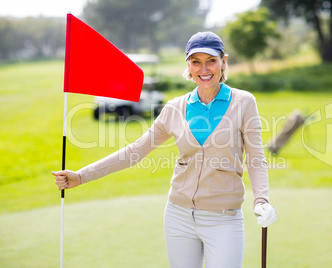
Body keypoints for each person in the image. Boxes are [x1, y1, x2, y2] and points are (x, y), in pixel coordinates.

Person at [52, 31, 277, 268]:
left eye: (211, 60)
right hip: (178, 217)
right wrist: (81, 176)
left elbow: (256, 159)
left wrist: (261, 199)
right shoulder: (175, 107)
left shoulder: (244, 102)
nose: (205, 69)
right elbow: (134, 152)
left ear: (224, 61)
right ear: (188, 66)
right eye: (196, 62)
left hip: (223, 220)